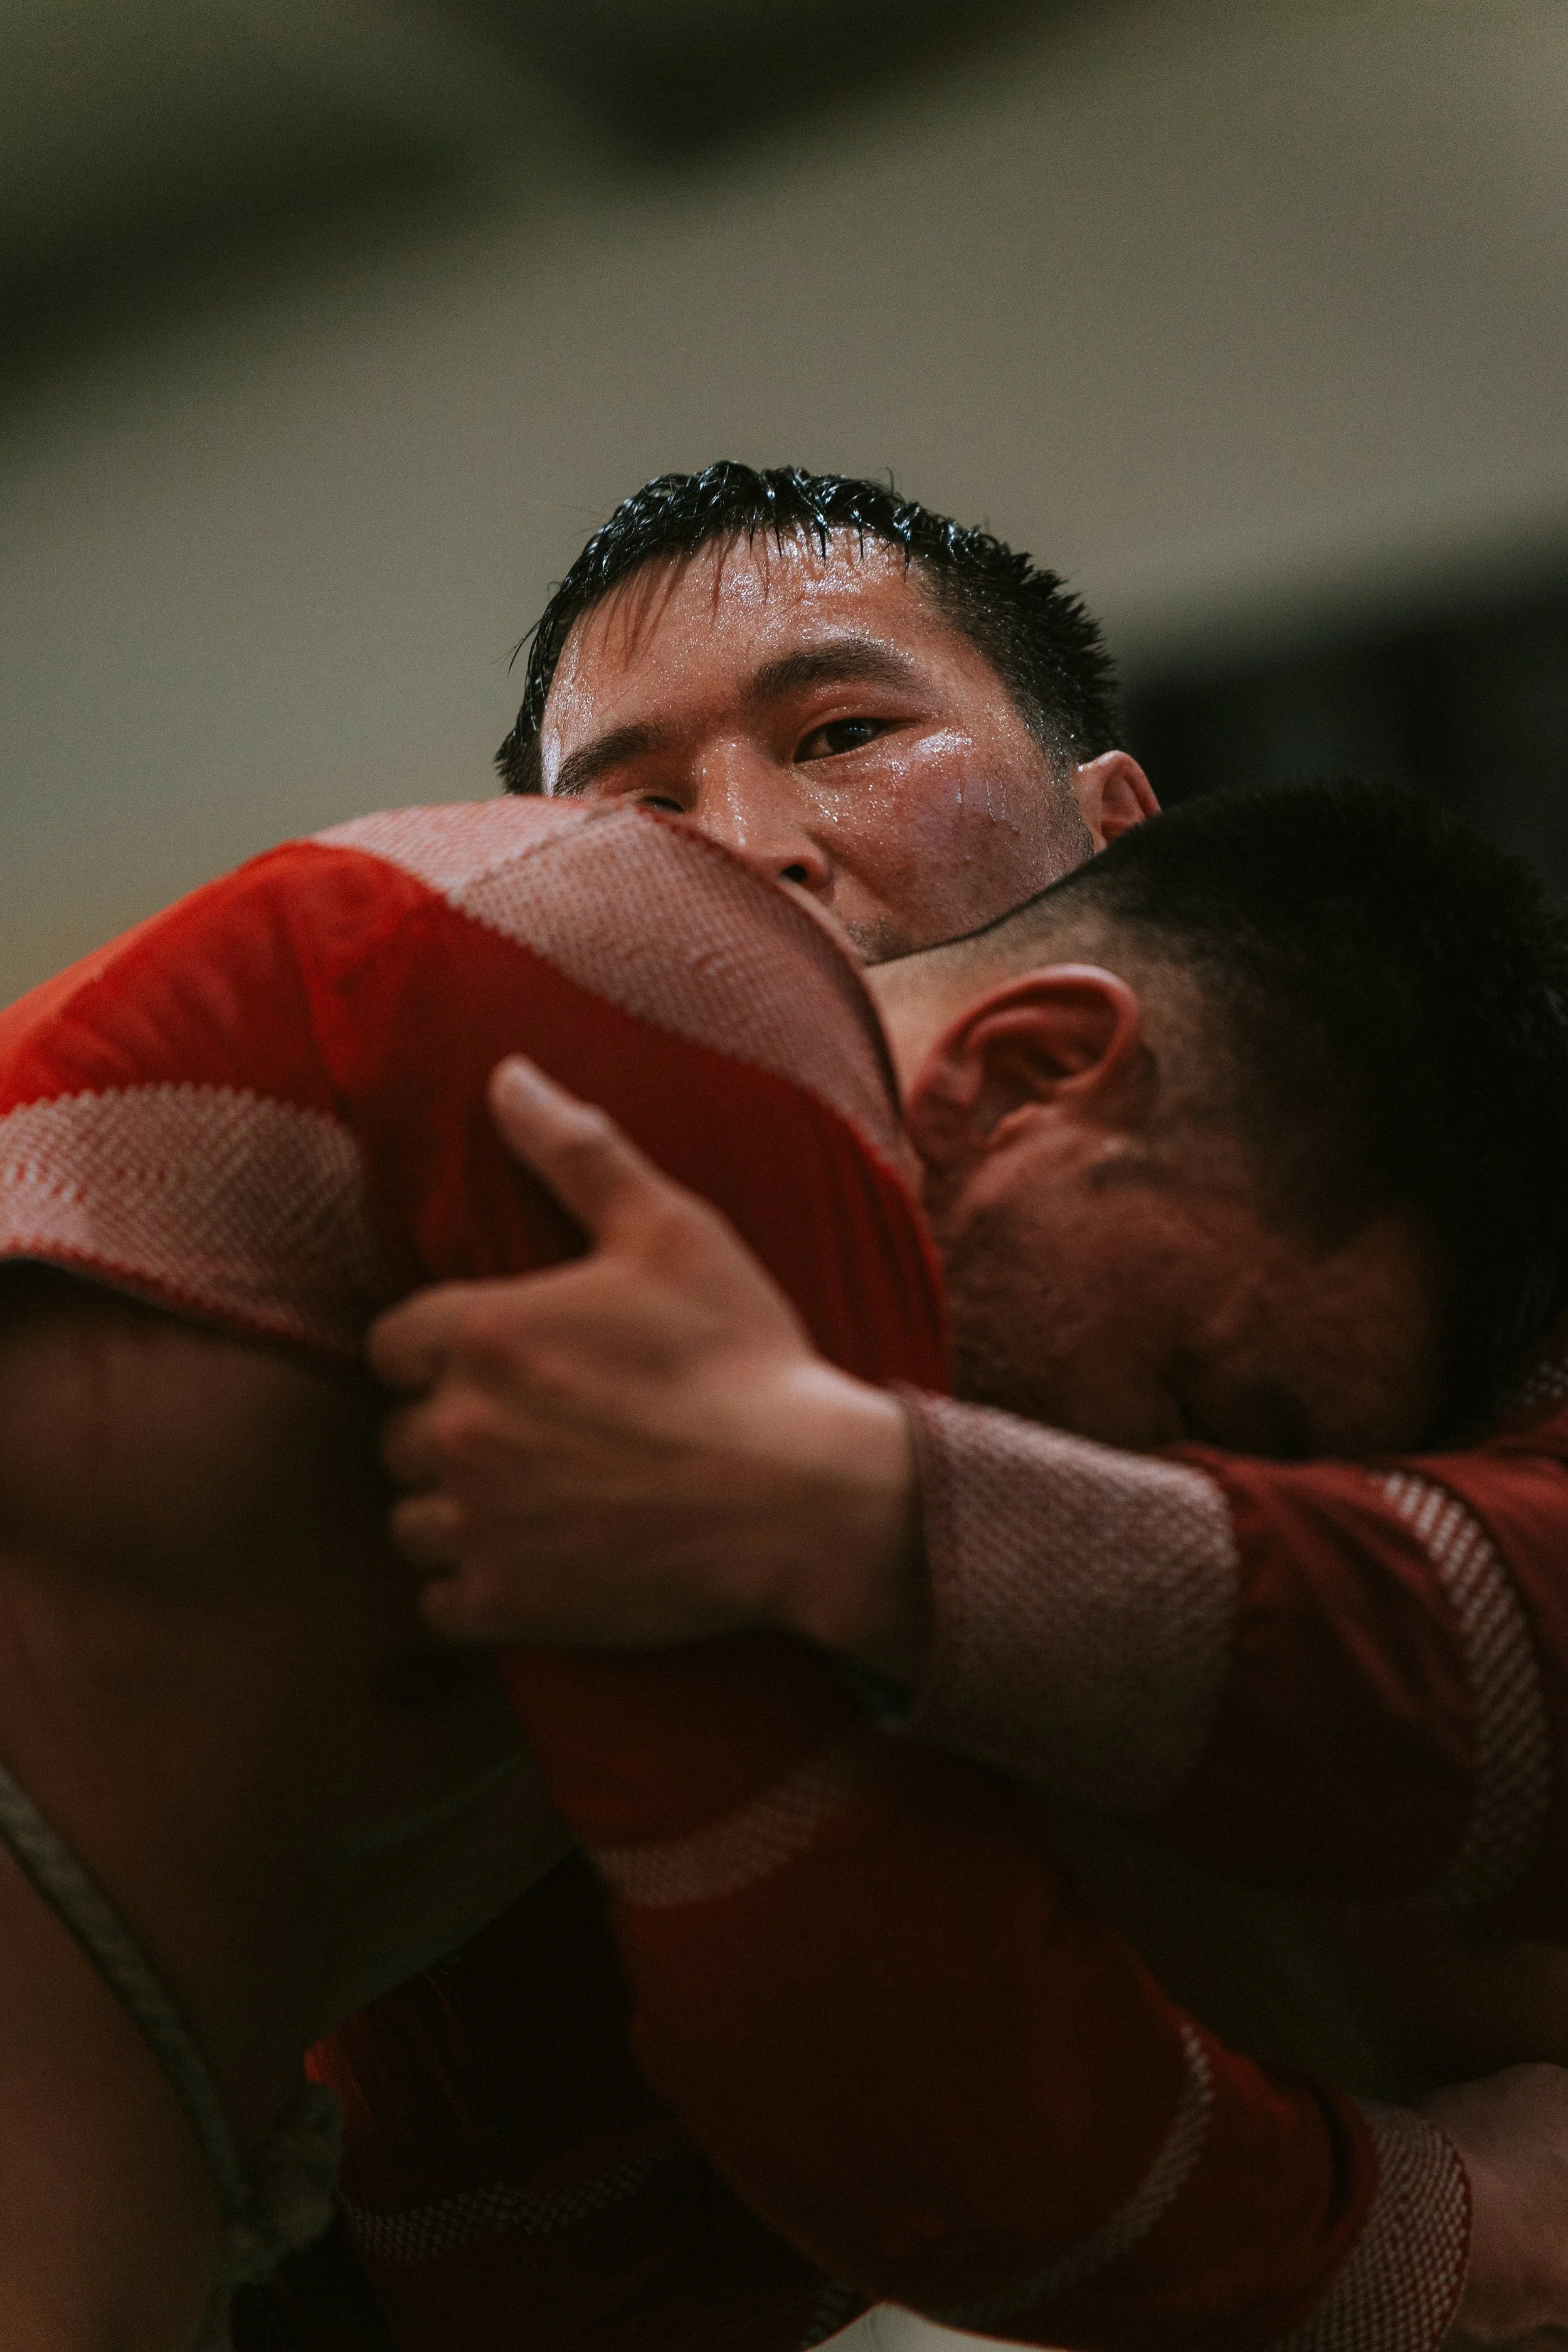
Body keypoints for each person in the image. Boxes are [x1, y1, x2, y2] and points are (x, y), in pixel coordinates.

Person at [0, 788, 1562, 2351]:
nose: (1117, 1508)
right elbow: (913, 2095)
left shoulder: (745, 1479)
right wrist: (1460, 2239)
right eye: (1194, 1410)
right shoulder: (660, 980)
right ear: (1029, 1079)